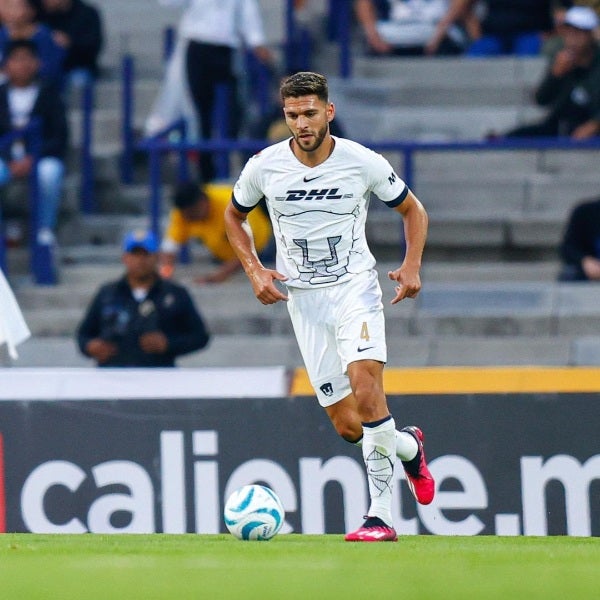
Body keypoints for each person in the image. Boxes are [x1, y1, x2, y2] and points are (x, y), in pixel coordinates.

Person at [224, 71, 434, 542]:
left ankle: (379, 516)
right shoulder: (264, 166)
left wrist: (412, 265)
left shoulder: (361, 161)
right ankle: (406, 446)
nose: (302, 123)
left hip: (354, 289)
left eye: (310, 113)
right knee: (348, 425)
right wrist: (255, 270)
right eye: (293, 115)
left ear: (329, 112)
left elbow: (413, 210)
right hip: (303, 301)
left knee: (366, 386)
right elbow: (233, 217)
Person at [157, 0, 274, 183]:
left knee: (234, 110)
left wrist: (257, 41)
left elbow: (247, 11)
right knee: (201, 111)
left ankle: (230, 161)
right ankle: (206, 174)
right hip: (197, 46)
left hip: (226, 48)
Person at [77, 229, 211, 367]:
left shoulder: (175, 294)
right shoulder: (108, 293)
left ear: (157, 257)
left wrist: (168, 344)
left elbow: (200, 336)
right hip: (113, 376)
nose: (141, 260)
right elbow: (83, 335)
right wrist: (91, 346)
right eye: (135, 254)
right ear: (125, 257)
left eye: (146, 254)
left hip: (159, 375)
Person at [0, 39, 68, 247]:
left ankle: (44, 228)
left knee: (50, 173)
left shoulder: (49, 93)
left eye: (27, 59)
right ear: (6, 65)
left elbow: (60, 134)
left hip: (40, 156)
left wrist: (33, 157)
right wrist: (9, 159)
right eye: (16, 59)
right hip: (5, 158)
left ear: (37, 63)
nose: (22, 65)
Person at [504, 6, 600, 139]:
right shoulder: (562, 60)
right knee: (514, 137)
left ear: (590, 35)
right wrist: (555, 75)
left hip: (593, 128)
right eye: (568, 32)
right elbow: (541, 100)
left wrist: (595, 124)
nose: (572, 38)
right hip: (563, 126)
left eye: (578, 32)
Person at [159, 180, 273, 284]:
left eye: (192, 214)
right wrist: (165, 273)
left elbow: (249, 250)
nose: (190, 219)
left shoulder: (231, 206)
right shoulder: (183, 214)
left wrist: (218, 276)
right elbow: (170, 246)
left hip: (263, 248)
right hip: (224, 255)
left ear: (202, 202)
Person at [428, 0, 572, 57]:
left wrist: (554, 33)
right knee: (473, 61)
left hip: (531, 35)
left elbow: (565, 11)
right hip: (493, 36)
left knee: (529, 63)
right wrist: (475, 34)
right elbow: (463, 5)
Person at [355, 0, 475, 56]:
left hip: (439, 29)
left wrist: (440, 32)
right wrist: (373, 35)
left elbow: (461, 4)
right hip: (398, 30)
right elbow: (363, 3)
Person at [38, 0, 104, 89]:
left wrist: (69, 43)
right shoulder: (39, 13)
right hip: (46, 68)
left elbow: (93, 47)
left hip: (76, 67)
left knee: (78, 81)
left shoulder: (87, 14)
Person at [0, 0, 65, 86]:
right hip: (8, 81)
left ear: (31, 11)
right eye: (9, 7)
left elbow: (51, 66)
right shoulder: (2, 34)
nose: (11, 12)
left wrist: (23, 71)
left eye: (17, 7)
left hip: (40, 81)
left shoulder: (44, 34)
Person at [558, 196, 600, 281]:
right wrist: (585, 261)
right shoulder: (585, 212)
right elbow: (568, 248)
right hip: (588, 273)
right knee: (570, 273)